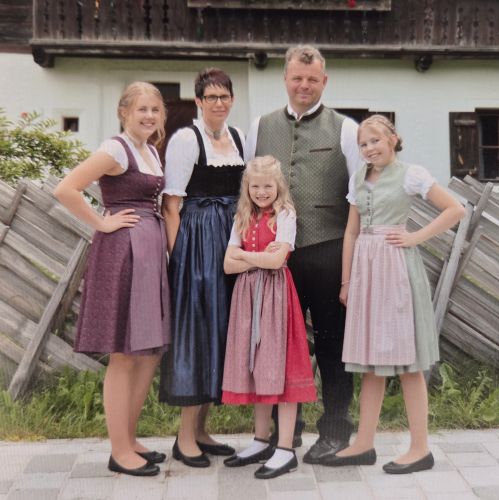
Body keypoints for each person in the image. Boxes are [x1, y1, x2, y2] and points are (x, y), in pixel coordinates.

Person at [326, 114, 465, 473]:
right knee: (370, 363)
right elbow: (351, 233)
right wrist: (346, 282)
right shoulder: (358, 178)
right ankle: (364, 443)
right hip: (366, 273)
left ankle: (420, 449)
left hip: (397, 270)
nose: (369, 148)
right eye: (363, 143)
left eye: (375, 140)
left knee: (408, 362)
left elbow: (456, 209)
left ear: (392, 139)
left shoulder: (410, 174)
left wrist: (415, 237)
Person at [244, 45, 360, 463]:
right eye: (297, 78)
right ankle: (283, 433)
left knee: (332, 346)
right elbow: (248, 190)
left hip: (328, 250)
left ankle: (336, 431)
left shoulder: (346, 129)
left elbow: (359, 198)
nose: (304, 85)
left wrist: (351, 269)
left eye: (312, 79)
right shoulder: (260, 126)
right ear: (286, 79)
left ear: (324, 81)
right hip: (277, 257)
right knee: (276, 346)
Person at [54, 82, 170, 477]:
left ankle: (130, 439)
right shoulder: (116, 149)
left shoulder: (149, 150)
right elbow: (66, 188)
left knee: (147, 350)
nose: (149, 116)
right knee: (123, 352)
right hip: (122, 253)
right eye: (142, 110)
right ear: (124, 112)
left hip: (149, 253)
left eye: (155, 110)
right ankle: (119, 451)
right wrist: (102, 222)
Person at [158, 68, 245, 468]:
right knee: (198, 333)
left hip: (228, 242)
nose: (219, 103)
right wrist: (179, 259)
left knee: (220, 333)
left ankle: (202, 431)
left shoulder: (239, 137)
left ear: (232, 99)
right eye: (211, 97)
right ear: (198, 101)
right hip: (197, 244)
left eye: (224, 96)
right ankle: (184, 438)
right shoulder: (185, 139)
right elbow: (171, 205)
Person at [221, 156, 317, 479]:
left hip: (276, 296)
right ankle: (261, 440)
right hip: (248, 298)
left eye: (267, 186)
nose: (261, 192)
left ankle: (285, 448)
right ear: (247, 188)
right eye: (255, 187)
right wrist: (260, 257)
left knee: (281, 366)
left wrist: (245, 256)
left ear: (279, 186)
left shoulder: (285, 215)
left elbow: (277, 262)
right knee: (257, 365)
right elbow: (227, 265)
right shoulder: (242, 216)